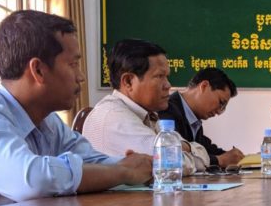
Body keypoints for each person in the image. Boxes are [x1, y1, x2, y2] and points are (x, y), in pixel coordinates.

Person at [0, 11, 152, 206]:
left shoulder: (47, 121)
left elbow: (91, 161)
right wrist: (122, 172)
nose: (81, 76)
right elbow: (34, 180)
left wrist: (137, 165)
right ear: (38, 70)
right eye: (73, 64)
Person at [83, 39, 208, 174]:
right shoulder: (114, 117)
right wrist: (186, 148)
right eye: (159, 76)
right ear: (128, 81)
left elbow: (203, 155)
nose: (168, 85)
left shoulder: (147, 115)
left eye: (167, 76)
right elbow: (172, 165)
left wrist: (185, 147)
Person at [158, 68, 245, 168]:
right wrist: (219, 160)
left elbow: (206, 150)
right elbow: (174, 155)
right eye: (221, 103)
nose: (219, 112)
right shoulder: (167, 110)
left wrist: (237, 157)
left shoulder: (194, 119)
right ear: (204, 86)